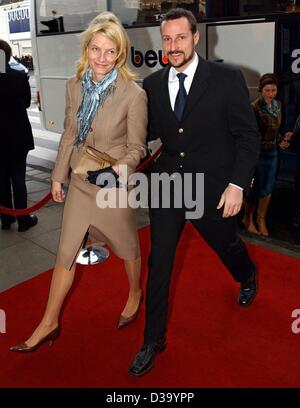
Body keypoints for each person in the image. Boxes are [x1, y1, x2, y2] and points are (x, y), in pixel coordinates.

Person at [128, 8, 260, 377]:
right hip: (169, 185)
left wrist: (237, 184)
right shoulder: (152, 84)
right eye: (167, 39)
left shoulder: (226, 79)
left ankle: (247, 274)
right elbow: (148, 133)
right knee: (160, 263)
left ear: (197, 37)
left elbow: (248, 138)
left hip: (214, 188)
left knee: (227, 245)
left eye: (180, 38)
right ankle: (152, 341)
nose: (173, 46)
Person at [10, 12, 147, 352]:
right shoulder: (75, 85)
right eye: (95, 49)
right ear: (86, 50)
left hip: (113, 185)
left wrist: (119, 169)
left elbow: (137, 148)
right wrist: (58, 177)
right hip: (81, 182)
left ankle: (134, 291)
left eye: (109, 51)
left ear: (120, 54)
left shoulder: (133, 94)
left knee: (127, 247)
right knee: (66, 252)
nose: (101, 58)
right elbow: (70, 134)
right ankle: (49, 322)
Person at [243, 73, 290, 236]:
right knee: (255, 187)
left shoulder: (279, 105)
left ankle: (261, 219)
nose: (271, 93)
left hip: (273, 153)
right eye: (267, 90)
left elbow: (277, 129)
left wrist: (282, 139)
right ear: (261, 90)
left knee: (268, 187)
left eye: (274, 90)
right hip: (258, 153)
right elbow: (253, 134)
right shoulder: (254, 107)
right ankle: (247, 219)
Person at [0, 39, 38, 232]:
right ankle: (23, 220)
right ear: (7, 56)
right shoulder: (19, 77)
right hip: (17, 137)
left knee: (2, 181)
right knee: (18, 179)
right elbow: (25, 103)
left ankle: (6, 219)